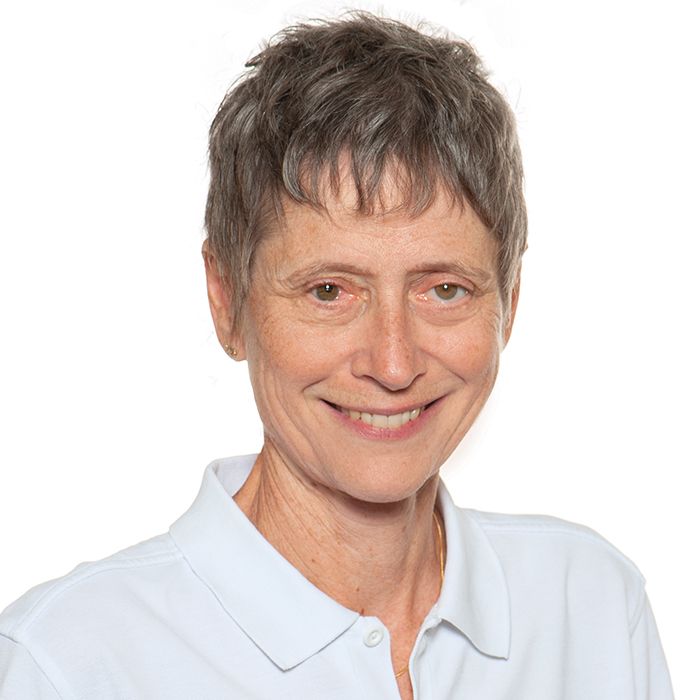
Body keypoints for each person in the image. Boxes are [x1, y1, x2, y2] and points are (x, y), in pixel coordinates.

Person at [0, 12, 674, 700]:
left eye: (445, 289)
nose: (393, 363)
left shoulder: (592, 611)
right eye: (329, 291)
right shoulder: (65, 666)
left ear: (510, 301)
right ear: (227, 300)